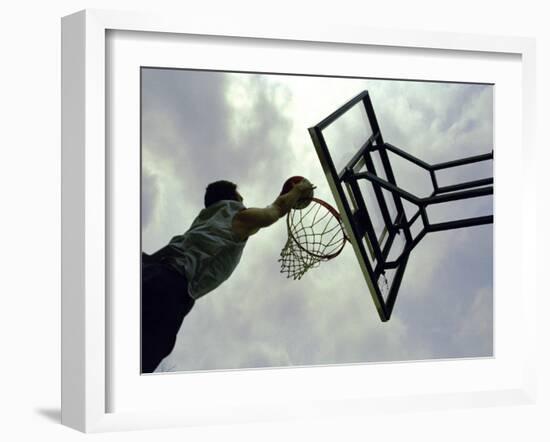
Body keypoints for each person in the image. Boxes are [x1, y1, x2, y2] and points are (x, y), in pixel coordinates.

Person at [141, 178, 315, 373]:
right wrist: (298, 190)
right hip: (169, 286)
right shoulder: (235, 215)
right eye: (241, 198)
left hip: (150, 270)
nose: (244, 202)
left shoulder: (208, 218)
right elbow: (274, 211)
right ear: (233, 199)